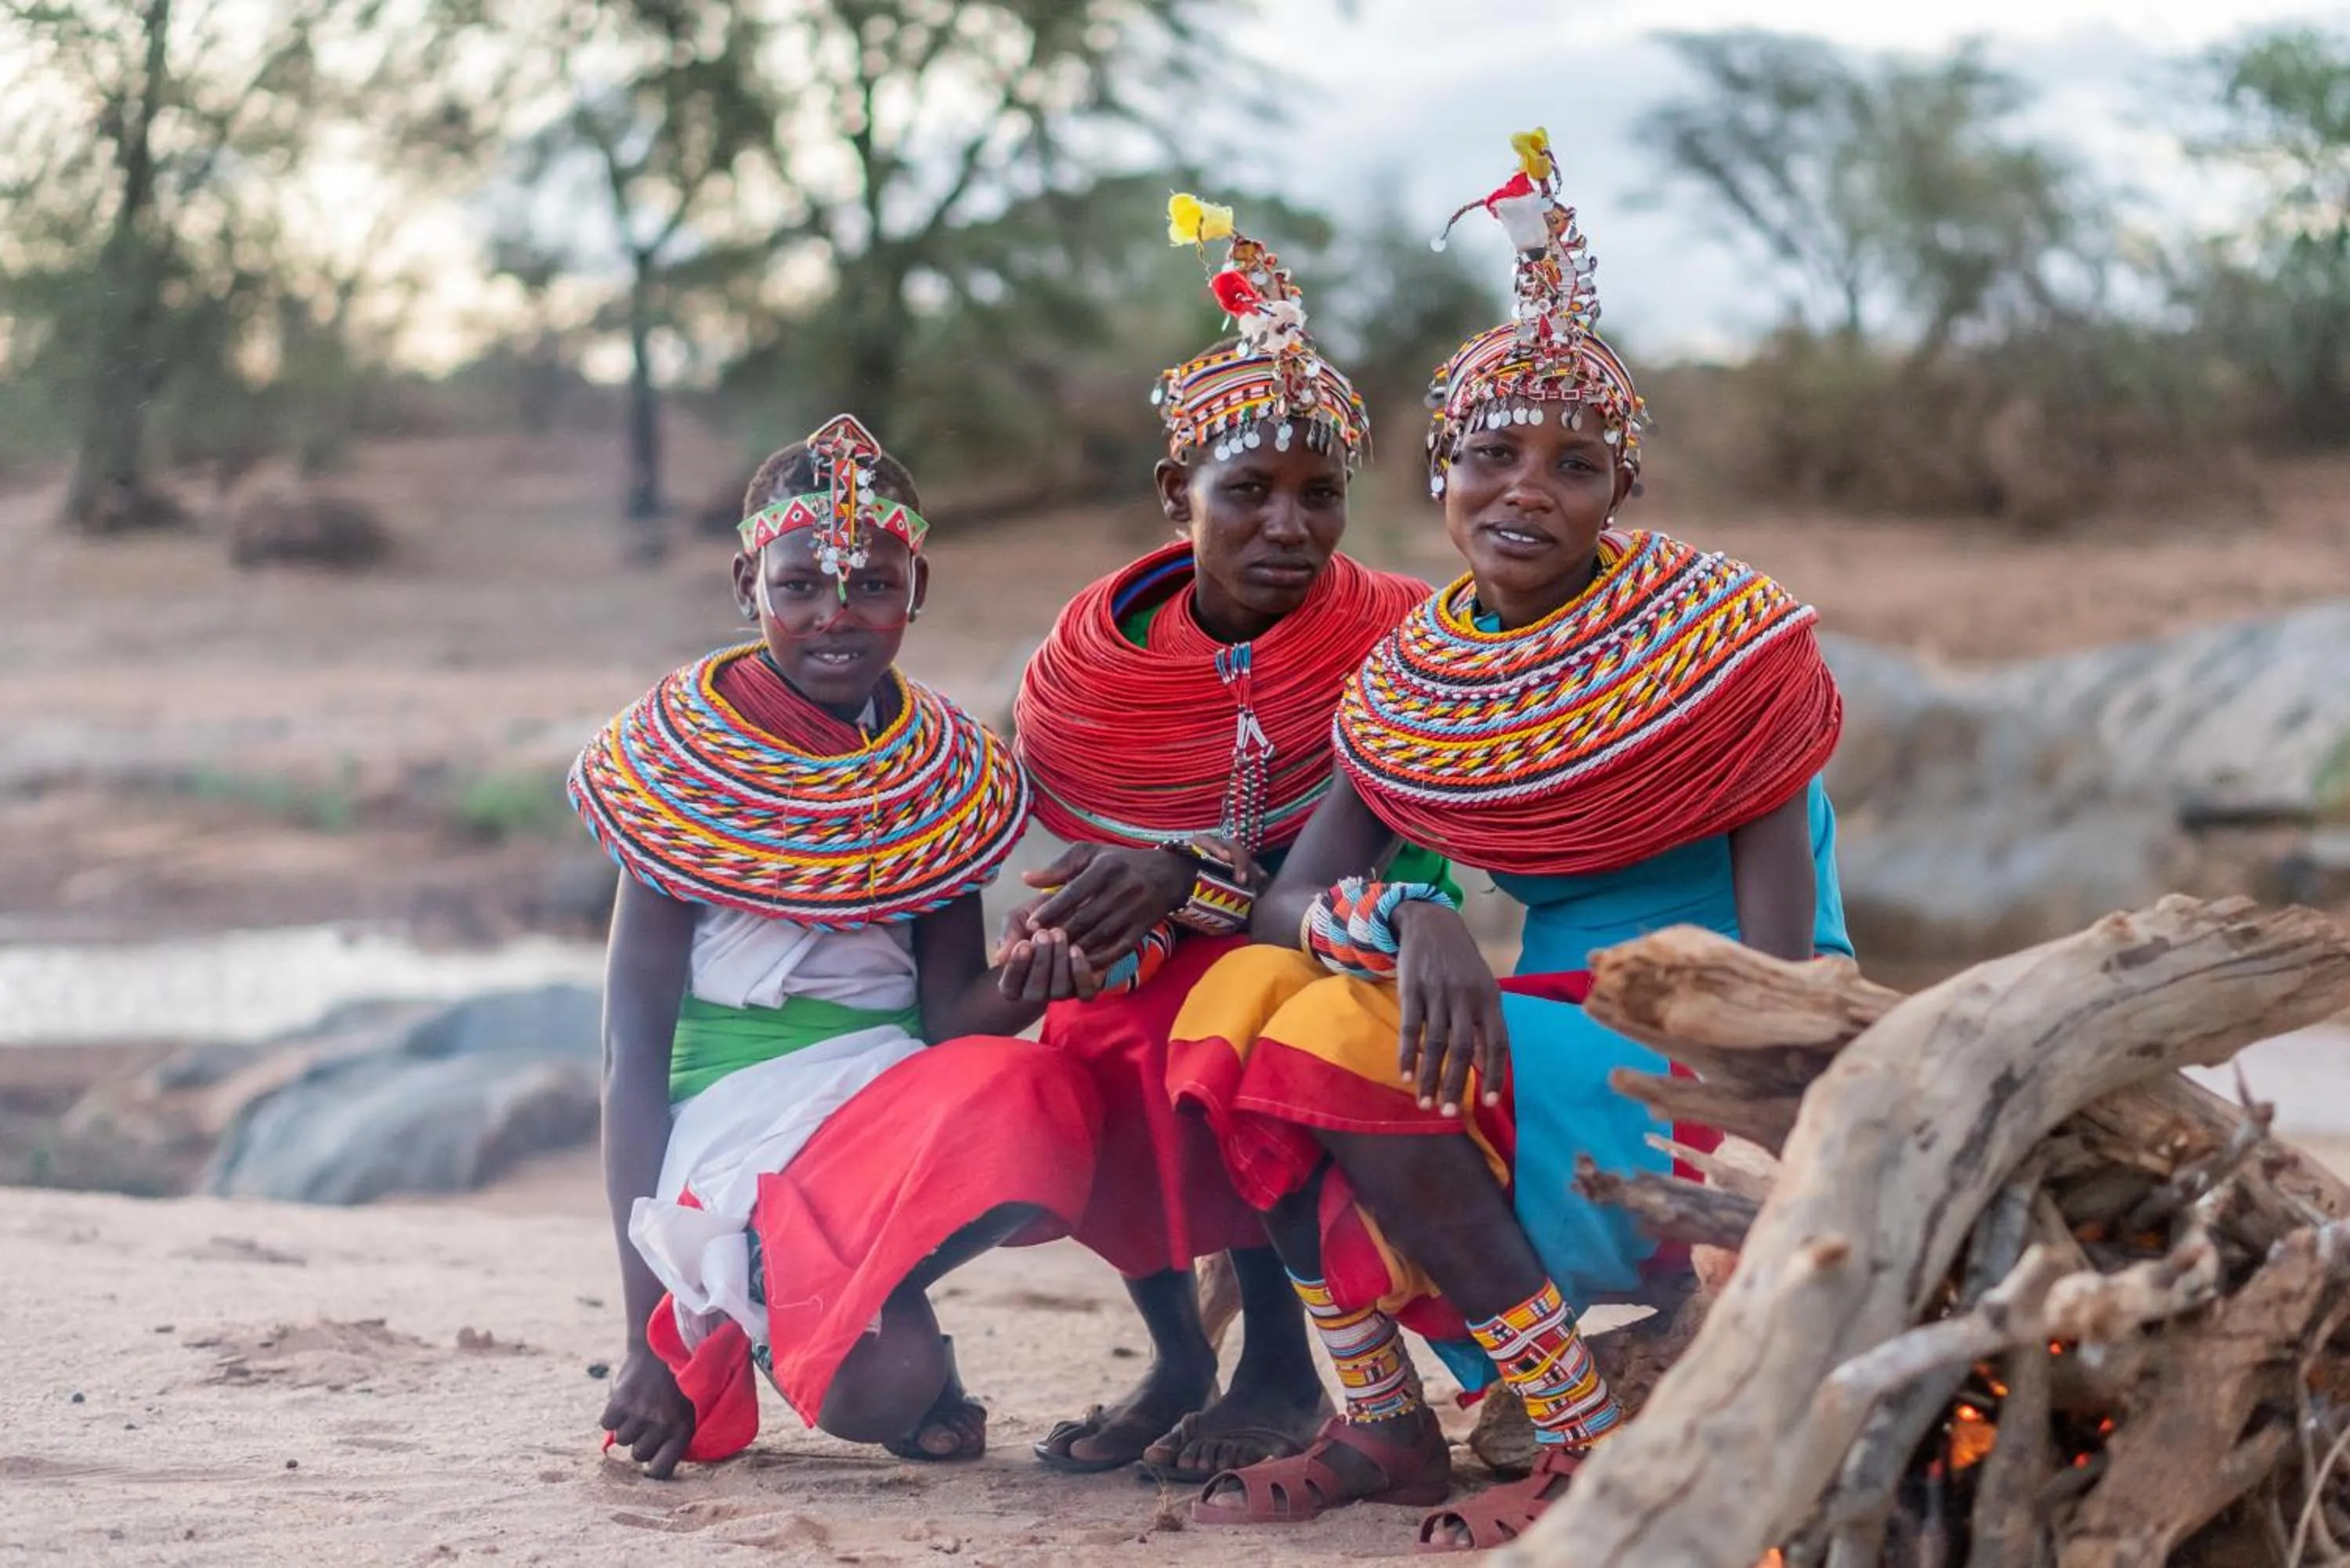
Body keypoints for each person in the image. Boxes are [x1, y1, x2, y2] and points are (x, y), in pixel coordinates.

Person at [1165, 132, 1851, 1550]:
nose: (1525, 490)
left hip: (1713, 1024)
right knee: (1243, 1001)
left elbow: (1780, 966)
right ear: (1440, 474)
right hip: (1531, 1009)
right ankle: (1387, 1420)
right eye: (1491, 454)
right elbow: (1285, 905)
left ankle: (1578, 1434)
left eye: (1573, 463)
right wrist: (1415, 921)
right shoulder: (1420, 679)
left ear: (1623, 490)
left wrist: (1767, 1126)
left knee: (1322, 1052)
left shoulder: (1728, 647)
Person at [573, 414, 1106, 1477]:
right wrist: (640, 1337)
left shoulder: (942, 772)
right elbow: (633, 1061)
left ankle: (796, 1280)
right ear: (746, 584)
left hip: (886, 1106)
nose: (835, 614)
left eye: (871, 584)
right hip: (733, 1127)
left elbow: (953, 1016)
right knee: (886, 1395)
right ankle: (746, 1282)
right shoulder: (678, 770)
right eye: (801, 584)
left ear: (917, 590)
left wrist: (1036, 971)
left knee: (1047, 1100)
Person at [1009, 195, 1443, 1482]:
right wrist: (1072, 919)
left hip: (1336, 952)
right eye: (1247, 491)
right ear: (1173, 494)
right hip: (1169, 955)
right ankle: (1184, 1358)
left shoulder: (1398, 642)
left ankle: (1280, 1367)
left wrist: (1184, 880)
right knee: (1091, 1030)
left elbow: (1398, 856)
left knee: (1236, 1023)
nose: (1289, 526)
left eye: (1321, 494)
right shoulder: (1091, 676)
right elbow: (1081, 832)